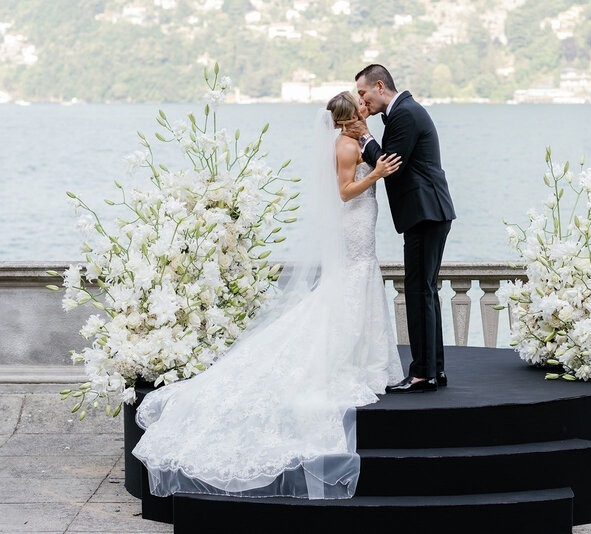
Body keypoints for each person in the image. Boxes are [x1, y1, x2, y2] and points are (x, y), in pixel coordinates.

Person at [131, 92, 404, 499]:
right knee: (353, 281)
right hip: (354, 220)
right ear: (349, 118)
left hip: (362, 222)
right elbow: (346, 192)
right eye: (361, 107)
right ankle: (349, 355)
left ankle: (364, 355)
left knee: (357, 281)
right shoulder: (346, 146)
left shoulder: (353, 139)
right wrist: (376, 175)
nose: (367, 109)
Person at [346, 64, 456, 393]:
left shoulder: (405, 114)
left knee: (418, 291)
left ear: (380, 86)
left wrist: (363, 135)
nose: (361, 99)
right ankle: (433, 369)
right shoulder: (403, 112)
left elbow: (389, 166)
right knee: (425, 290)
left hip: (425, 213)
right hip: (429, 211)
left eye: (363, 93)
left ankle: (423, 373)